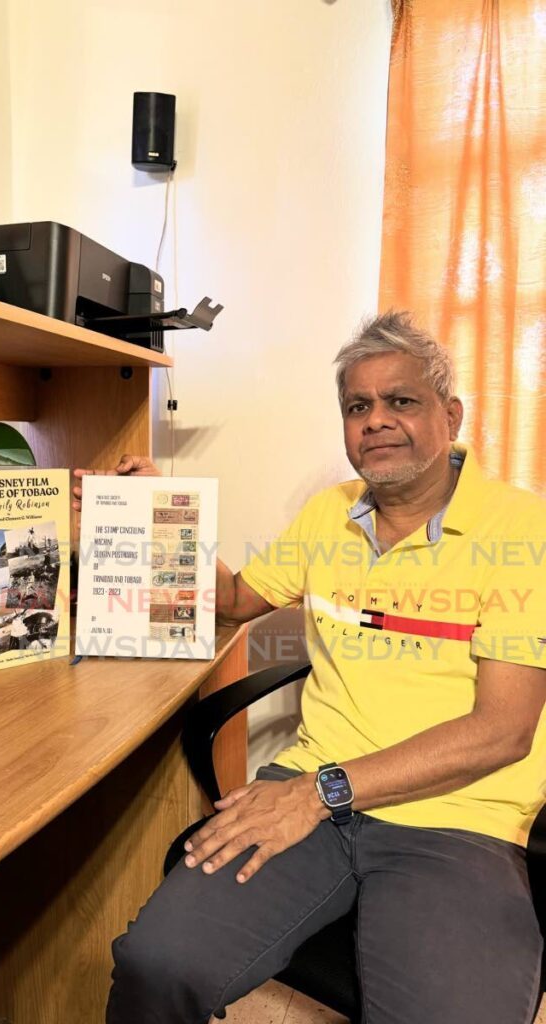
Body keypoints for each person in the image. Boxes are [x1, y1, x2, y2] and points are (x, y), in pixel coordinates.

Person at [73, 312, 546, 1024]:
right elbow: (234, 603)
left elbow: (502, 732)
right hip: (311, 794)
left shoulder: (522, 530)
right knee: (156, 965)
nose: (377, 420)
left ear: (450, 414)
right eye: (358, 407)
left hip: (457, 819)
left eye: (401, 401)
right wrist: (159, 513)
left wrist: (317, 793)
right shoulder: (329, 516)